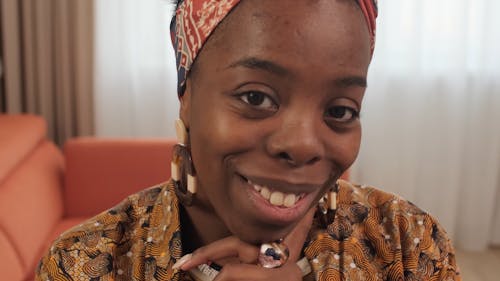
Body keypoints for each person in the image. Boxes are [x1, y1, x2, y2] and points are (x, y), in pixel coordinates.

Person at [36, 0, 461, 280]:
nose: (303, 145)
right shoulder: (86, 265)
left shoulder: (406, 243)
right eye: (255, 97)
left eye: (340, 110)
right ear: (186, 93)